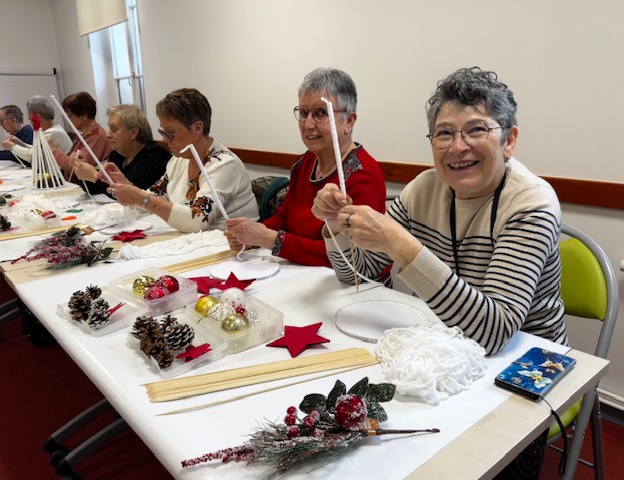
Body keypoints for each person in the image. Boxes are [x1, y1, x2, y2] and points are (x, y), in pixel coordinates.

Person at [313, 67, 569, 478]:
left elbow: (494, 332)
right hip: (443, 349)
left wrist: (401, 245)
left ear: (509, 140)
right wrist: (335, 226)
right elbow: (357, 273)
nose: (457, 147)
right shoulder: (423, 188)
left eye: (476, 130)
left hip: (525, 360)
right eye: (444, 133)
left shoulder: (532, 203)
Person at [225, 67, 388, 268]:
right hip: (300, 272)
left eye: (321, 112)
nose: (308, 124)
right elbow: (285, 216)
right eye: (303, 112)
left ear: (349, 121)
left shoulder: (363, 175)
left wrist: (268, 239)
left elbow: (350, 260)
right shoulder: (305, 162)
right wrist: (250, 235)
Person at [103, 88, 258, 233]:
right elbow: (154, 197)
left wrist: (141, 198)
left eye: (171, 132)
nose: (165, 139)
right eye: (163, 132)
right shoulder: (179, 161)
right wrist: (126, 186)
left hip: (233, 244)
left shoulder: (224, 164)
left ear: (198, 128)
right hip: (201, 240)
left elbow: (197, 220)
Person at [72, 105, 171, 195]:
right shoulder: (117, 154)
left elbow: (130, 194)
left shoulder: (154, 156)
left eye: (113, 129)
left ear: (133, 132)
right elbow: (95, 188)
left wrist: (94, 176)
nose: (107, 134)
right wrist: (83, 171)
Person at [51, 91, 112, 179]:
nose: (69, 120)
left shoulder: (97, 137)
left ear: (84, 115)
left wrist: (54, 150)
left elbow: (77, 169)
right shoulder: (87, 135)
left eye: (70, 115)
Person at [1, 95, 72, 163]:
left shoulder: (52, 134)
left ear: (38, 117)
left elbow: (34, 157)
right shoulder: (54, 130)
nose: (28, 118)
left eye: (29, 115)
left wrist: (12, 146)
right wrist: (20, 143)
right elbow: (37, 150)